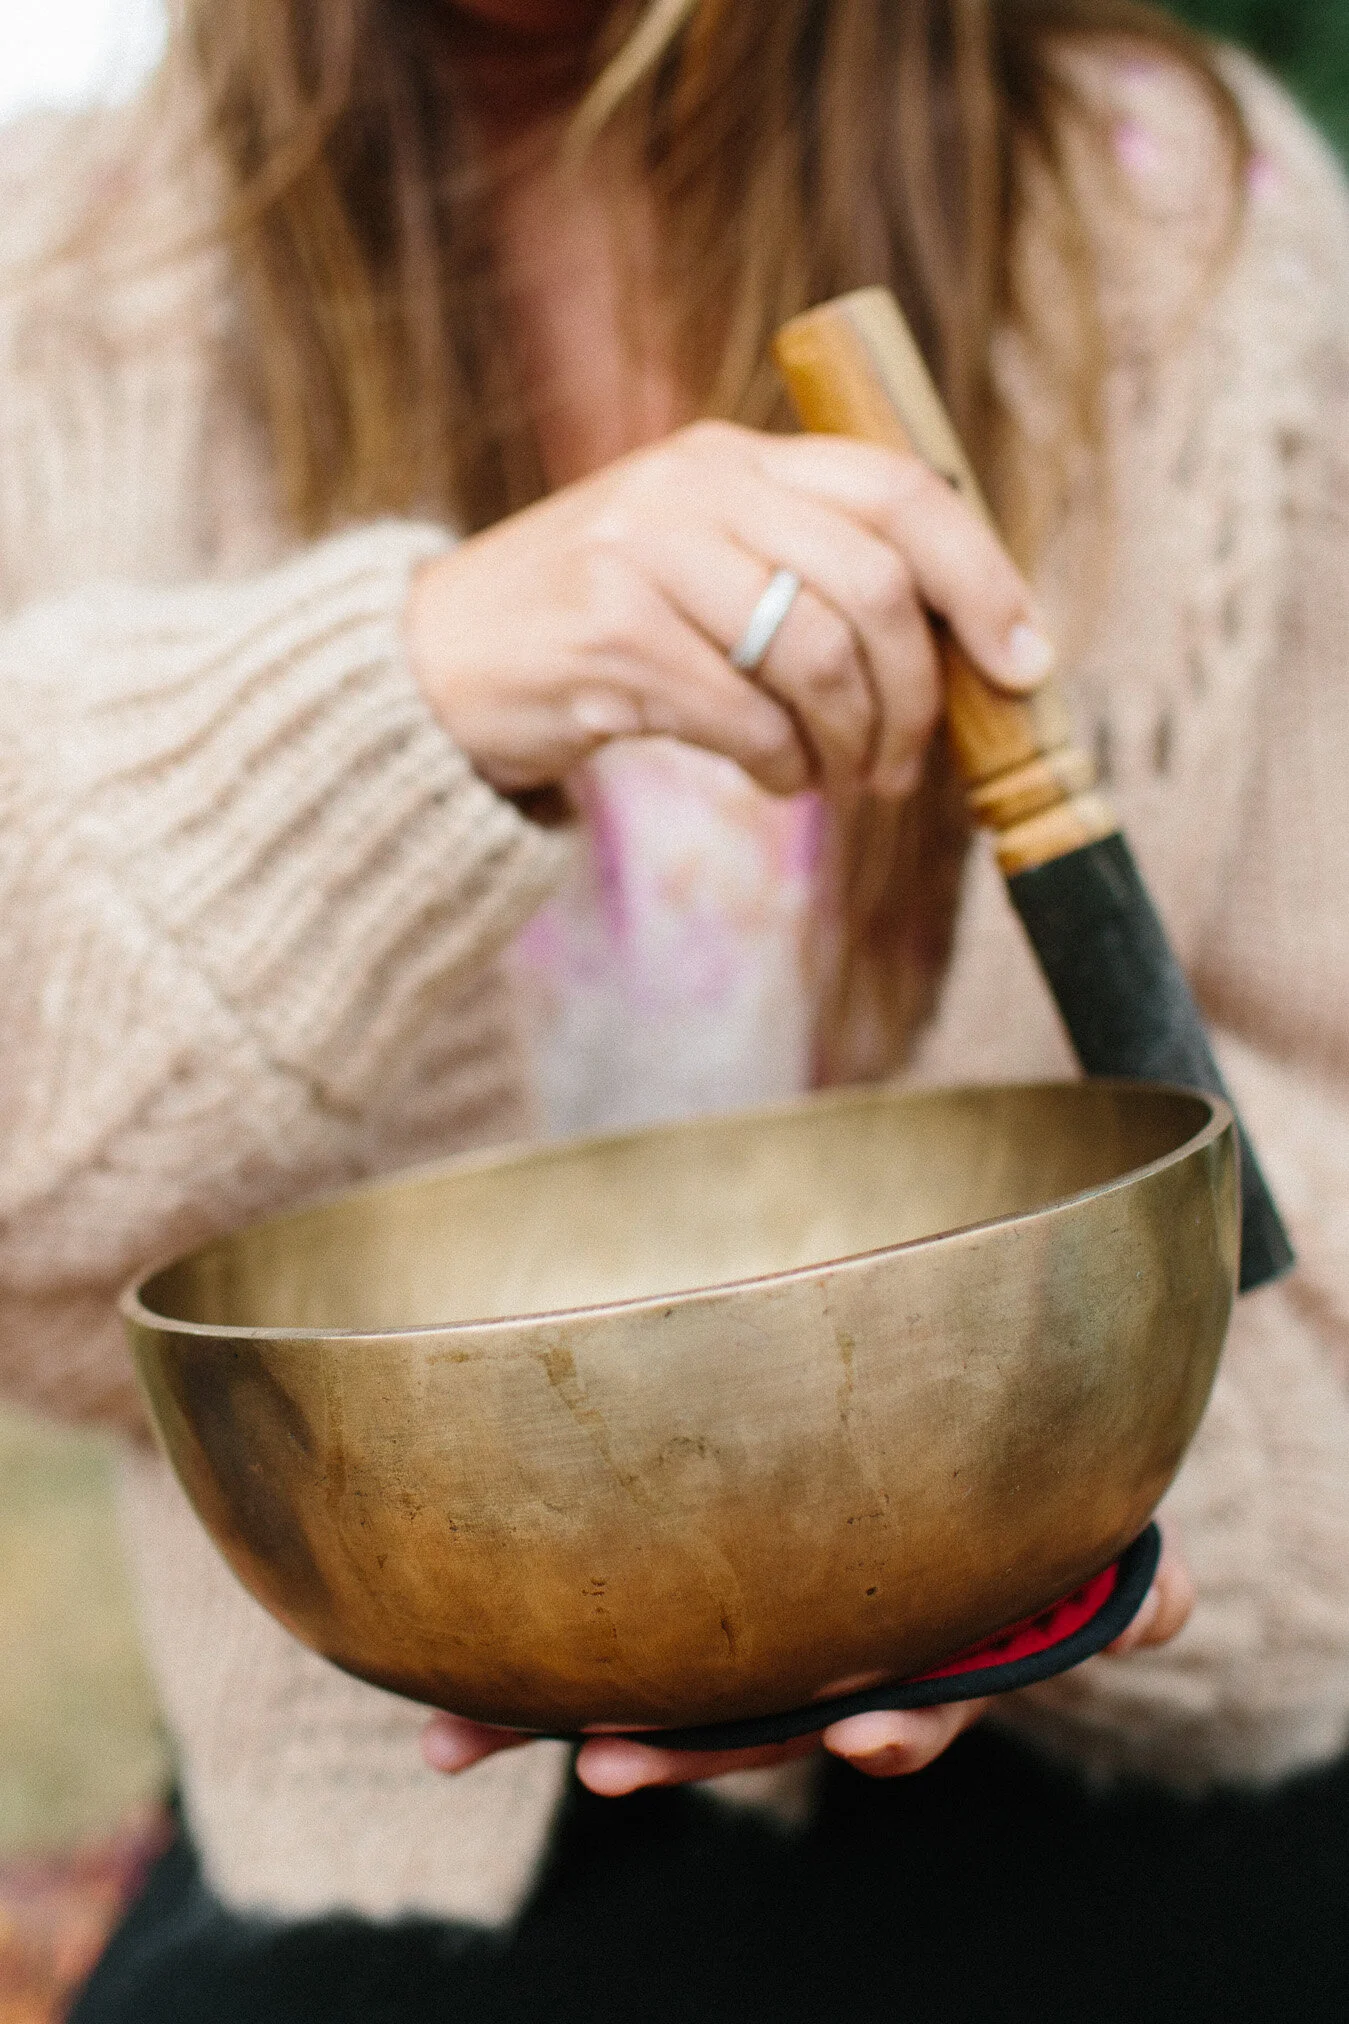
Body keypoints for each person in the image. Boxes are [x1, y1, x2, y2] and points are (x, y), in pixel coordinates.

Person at [0, 0, 1346, 2016]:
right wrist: (417, 684)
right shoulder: (73, 268)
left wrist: (1063, 1487)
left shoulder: (1171, 219)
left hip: (1131, 1772)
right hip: (409, 1811)